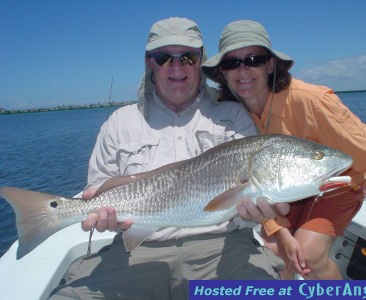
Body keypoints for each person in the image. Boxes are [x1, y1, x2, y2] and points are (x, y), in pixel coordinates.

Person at [50, 17, 289, 299]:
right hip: (134, 254)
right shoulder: (119, 122)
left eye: (187, 57)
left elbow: (247, 202)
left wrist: (255, 214)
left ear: (200, 60)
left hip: (224, 248)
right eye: (164, 57)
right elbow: (100, 189)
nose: (177, 67)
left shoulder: (233, 116)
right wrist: (104, 217)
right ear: (150, 62)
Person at [202, 19, 366, 280]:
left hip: (337, 183)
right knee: (274, 250)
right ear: (223, 72)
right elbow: (253, 186)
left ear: (270, 64)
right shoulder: (231, 115)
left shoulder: (312, 102)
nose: (243, 69)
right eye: (231, 62)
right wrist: (281, 233)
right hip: (280, 189)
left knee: (307, 255)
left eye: (253, 60)